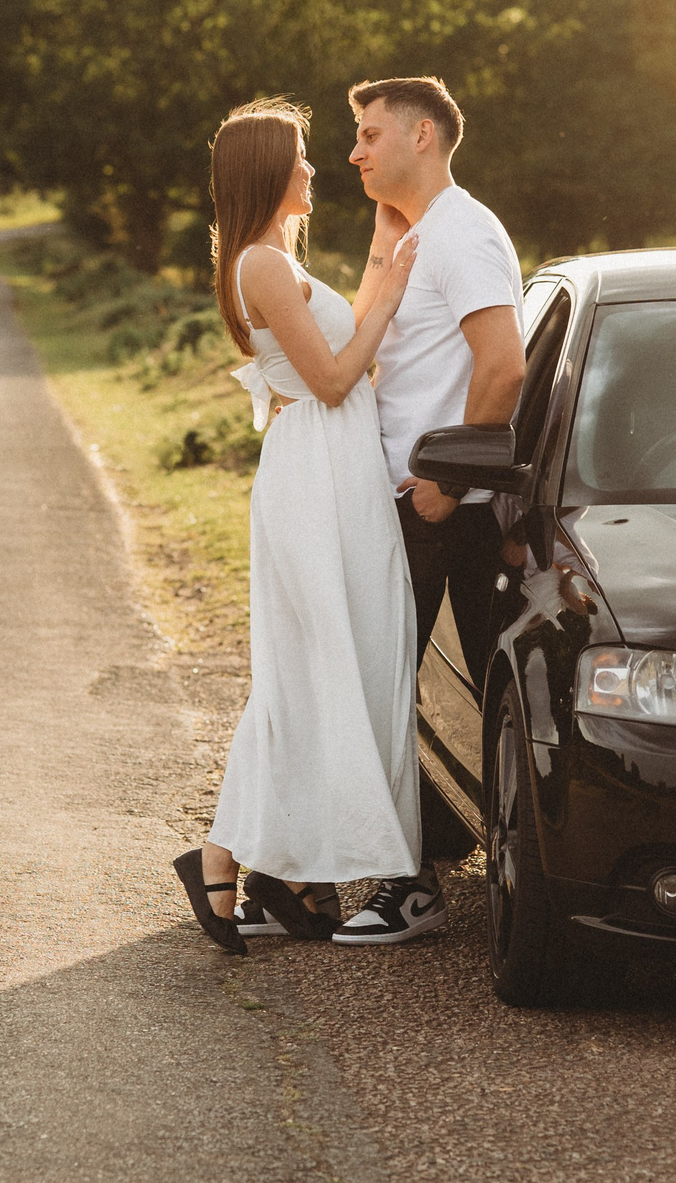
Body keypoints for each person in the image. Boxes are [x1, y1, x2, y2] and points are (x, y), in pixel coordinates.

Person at [173, 98, 426, 956]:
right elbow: (331, 379)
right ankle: (227, 858)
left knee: (334, 663)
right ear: (267, 173)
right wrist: (387, 298)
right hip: (315, 471)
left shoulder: (281, 259)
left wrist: (390, 231)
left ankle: (291, 872)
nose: (316, 169)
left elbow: (336, 347)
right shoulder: (259, 263)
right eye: (303, 159)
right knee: (308, 670)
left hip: (334, 468)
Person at [324, 76, 523, 946]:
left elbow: (504, 366)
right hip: (420, 498)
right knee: (459, 683)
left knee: (378, 679)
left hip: (439, 503)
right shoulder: (420, 234)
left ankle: (410, 890)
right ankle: (442, 842)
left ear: (424, 135)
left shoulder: (465, 235)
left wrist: (449, 480)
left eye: (370, 134)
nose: (356, 151)